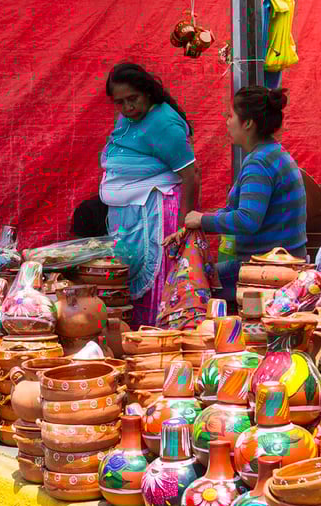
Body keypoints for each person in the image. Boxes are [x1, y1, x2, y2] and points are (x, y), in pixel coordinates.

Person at [71, 62, 200, 328]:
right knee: (128, 276)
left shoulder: (163, 124)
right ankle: (130, 335)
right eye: (120, 102)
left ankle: (155, 336)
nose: (128, 107)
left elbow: (192, 175)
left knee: (156, 280)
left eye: (133, 99)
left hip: (156, 211)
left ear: (148, 92)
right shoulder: (129, 119)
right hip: (132, 212)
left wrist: (183, 225)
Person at [174, 86, 307, 303]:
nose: (227, 122)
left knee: (187, 285)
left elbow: (247, 220)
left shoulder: (259, 163)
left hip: (268, 270)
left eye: (230, 115)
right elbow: (237, 211)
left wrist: (202, 220)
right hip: (283, 262)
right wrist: (196, 223)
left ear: (247, 123)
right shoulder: (273, 153)